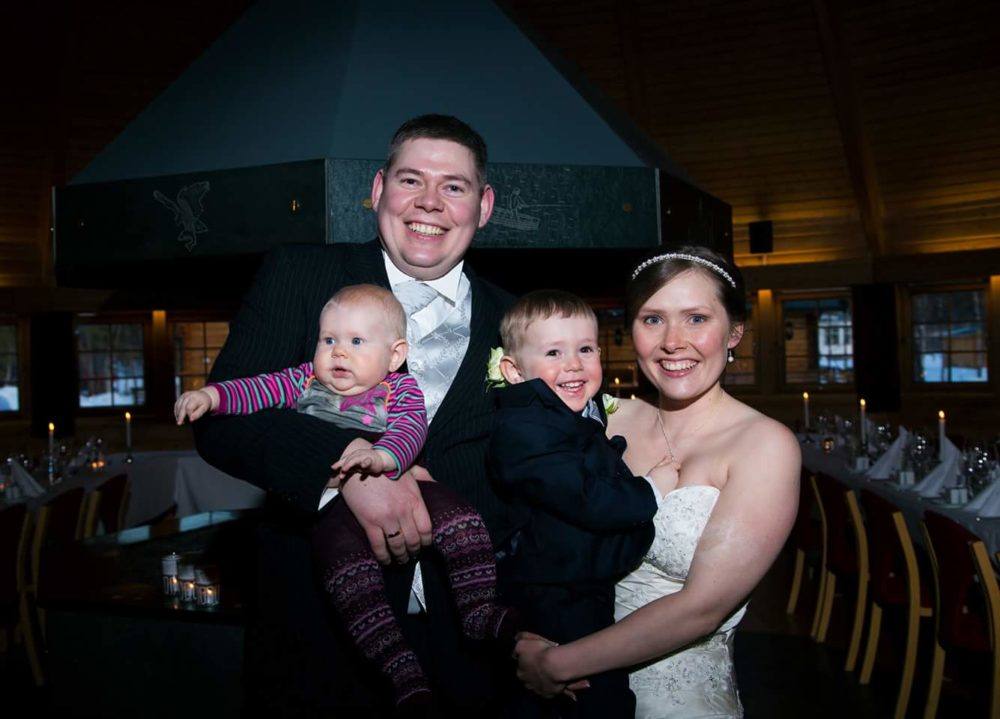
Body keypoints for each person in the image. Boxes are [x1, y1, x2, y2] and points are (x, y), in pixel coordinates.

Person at [193, 115, 517, 717]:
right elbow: (223, 420)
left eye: (454, 186)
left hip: (472, 647)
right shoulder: (299, 274)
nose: (429, 203)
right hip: (321, 634)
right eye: (410, 180)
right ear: (376, 190)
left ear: (484, 204)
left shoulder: (517, 319)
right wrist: (344, 478)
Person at [175, 284, 516, 710]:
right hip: (333, 505)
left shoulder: (398, 389)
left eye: (356, 342)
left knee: (462, 520)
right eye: (329, 340)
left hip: (397, 474)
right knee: (345, 574)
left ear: (393, 356)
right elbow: (256, 390)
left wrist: (384, 456)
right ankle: (398, 668)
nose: (339, 353)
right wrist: (211, 396)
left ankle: (479, 609)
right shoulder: (303, 380)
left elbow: (413, 429)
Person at [514, 247, 801, 718]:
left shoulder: (765, 445)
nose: (672, 342)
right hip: (570, 696)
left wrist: (556, 664)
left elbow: (702, 608)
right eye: (652, 320)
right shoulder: (601, 416)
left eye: (696, 319)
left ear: (735, 332)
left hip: (673, 699)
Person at [489, 290, 675, 718]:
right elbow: (590, 500)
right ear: (513, 371)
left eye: (585, 348)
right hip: (553, 597)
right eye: (554, 352)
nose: (574, 363)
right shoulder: (524, 430)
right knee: (590, 701)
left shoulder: (564, 416)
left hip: (579, 588)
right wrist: (651, 488)